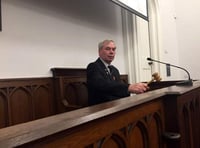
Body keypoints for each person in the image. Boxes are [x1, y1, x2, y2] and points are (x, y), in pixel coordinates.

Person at [86, 39, 148, 105]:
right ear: (99, 52)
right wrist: (128, 87)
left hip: (115, 106)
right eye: (108, 49)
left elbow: (118, 90)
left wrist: (135, 90)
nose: (111, 52)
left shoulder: (115, 70)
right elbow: (102, 86)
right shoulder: (93, 66)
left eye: (113, 49)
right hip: (99, 108)